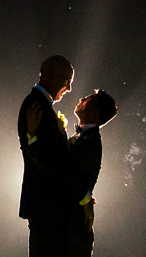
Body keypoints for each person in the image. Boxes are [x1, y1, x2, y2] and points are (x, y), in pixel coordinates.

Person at [26, 88, 118, 257]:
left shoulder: (90, 143)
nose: (82, 98)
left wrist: (32, 137)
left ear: (95, 111)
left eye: (89, 99)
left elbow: (59, 172)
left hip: (69, 234)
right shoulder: (82, 138)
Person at [19, 55, 76, 256]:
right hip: (44, 204)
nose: (68, 89)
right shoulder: (36, 106)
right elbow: (46, 160)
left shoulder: (42, 104)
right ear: (51, 75)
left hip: (46, 205)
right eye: (66, 81)